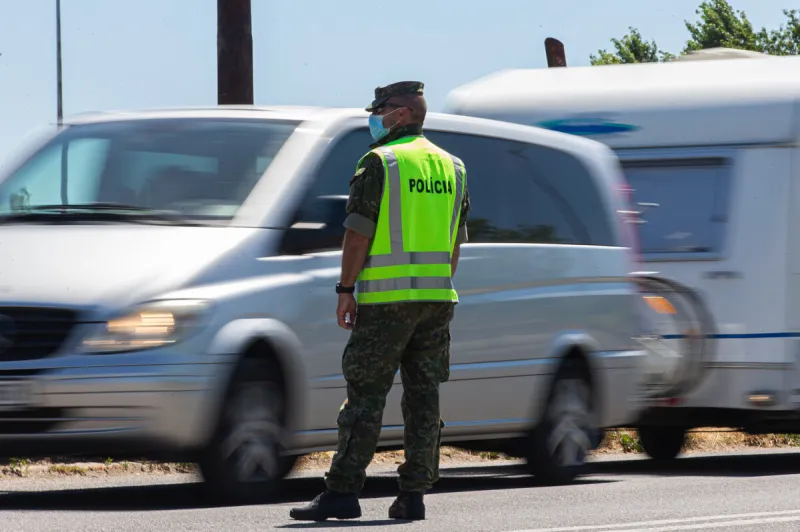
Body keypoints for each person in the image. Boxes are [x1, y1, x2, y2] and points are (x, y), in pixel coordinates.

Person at [289, 81, 470, 522]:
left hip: (388, 302)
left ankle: (343, 492)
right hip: (437, 299)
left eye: (381, 109)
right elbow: (455, 244)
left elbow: (357, 233)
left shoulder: (381, 161)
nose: (375, 116)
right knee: (424, 398)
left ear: (403, 113)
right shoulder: (455, 167)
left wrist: (345, 289)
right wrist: (435, 286)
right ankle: (414, 495)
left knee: (366, 395)